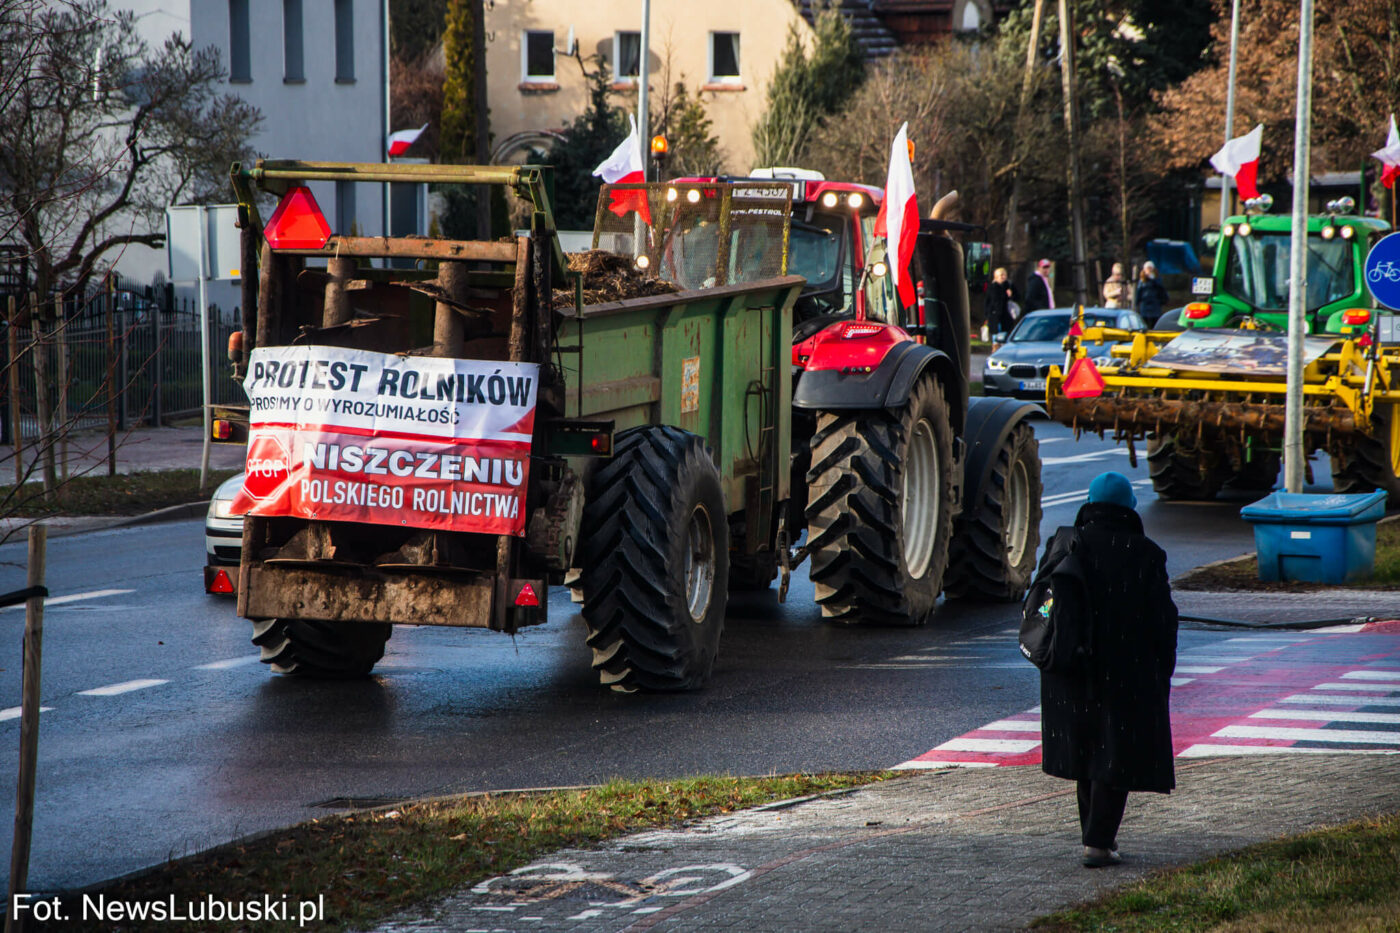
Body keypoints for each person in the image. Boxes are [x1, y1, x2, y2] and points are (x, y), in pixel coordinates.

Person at [1036, 471, 1177, 869]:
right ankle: (1098, 843)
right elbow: (1163, 622)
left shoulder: (1065, 544)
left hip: (1069, 668)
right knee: (1115, 756)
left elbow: (1044, 605)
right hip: (1125, 673)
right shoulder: (1146, 554)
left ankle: (1096, 837)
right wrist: (1162, 669)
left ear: (1090, 503)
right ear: (1129, 506)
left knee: (1086, 752)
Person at [984, 267, 1019, 344]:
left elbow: (1017, 297)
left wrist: (1011, 295)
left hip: (1006, 315)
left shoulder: (1009, 286)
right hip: (994, 315)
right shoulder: (992, 287)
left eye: (1004, 275)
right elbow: (988, 301)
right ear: (996, 276)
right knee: (996, 335)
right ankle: (995, 346)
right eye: (1001, 275)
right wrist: (987, 315)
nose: (1003, 277)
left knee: (1005, 335)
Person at [1134, 261, 1169, 327]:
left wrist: (1153, 279)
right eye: (1147, 268)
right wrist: (1136, 303)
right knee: (1145, 323)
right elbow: (1139, 292)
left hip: (1155, 305)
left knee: (1154, 323)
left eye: (1150, 268)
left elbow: (1161, 290)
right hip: (1145, 306)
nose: (1149, 270)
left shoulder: (1157, 279)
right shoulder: (1142, 281)